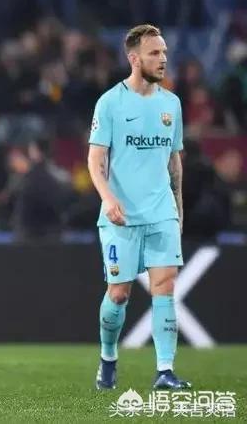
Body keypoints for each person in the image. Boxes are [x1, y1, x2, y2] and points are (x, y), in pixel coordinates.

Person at [87, 25, 191, 390]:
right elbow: (95, 160)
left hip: (161, 211)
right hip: (121, 216)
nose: (163, 59)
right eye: (154, 53)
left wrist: (178, 207)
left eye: (164, 53)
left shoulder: (171, 104)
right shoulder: (110, 103)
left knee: (165, 286)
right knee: (119, 293)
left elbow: (174, 162)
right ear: (134, 59)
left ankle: (164, 371)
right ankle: (108, 358)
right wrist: (107, 197)